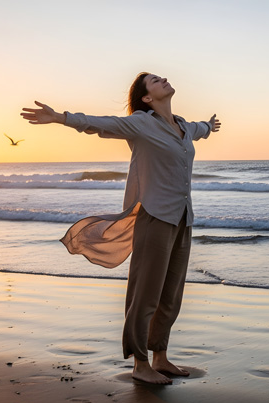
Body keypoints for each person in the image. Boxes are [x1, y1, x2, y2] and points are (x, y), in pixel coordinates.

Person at [20, 72, 221, 384]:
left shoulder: (183, 126)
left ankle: (161, 357)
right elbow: (100, 123)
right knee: (146, 293)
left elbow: (200, 130)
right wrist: (60, 117)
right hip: (154, 216)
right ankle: (141, 364)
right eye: (156, 80)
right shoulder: (141, 123)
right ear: (146, 97)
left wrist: (209, 126)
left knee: (171, 294)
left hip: (183, 217)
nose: (164, 78)